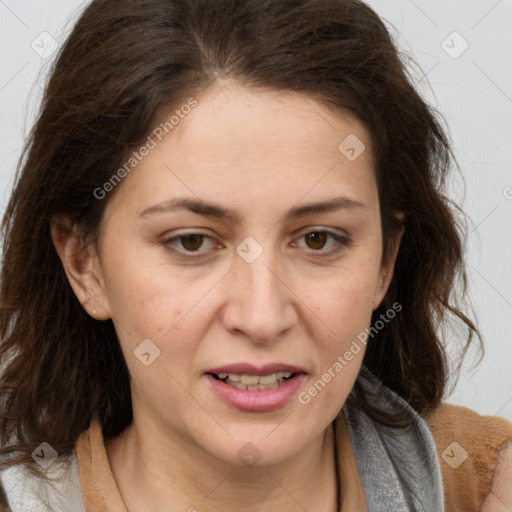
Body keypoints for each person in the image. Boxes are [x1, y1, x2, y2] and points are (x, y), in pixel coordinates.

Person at [0, 0, 511, 510]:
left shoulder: (490, 479)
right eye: (192, 241)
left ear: (385, 261)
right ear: (84, 265)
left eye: (318, 239)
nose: (262, 317)